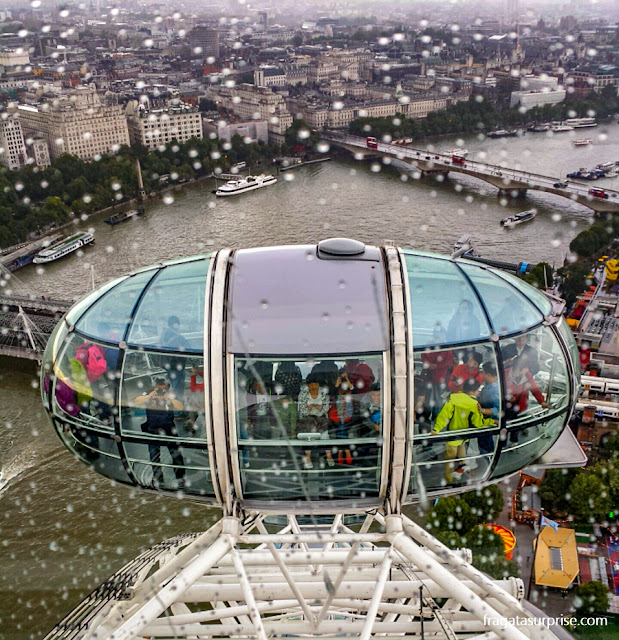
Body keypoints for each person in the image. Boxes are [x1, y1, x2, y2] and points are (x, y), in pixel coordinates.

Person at [431, 379, 496, 484]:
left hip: (452, 437)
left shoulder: (453, 399)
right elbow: (479, 423)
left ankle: (449, 479)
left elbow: (444, 416)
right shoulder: (474, 404)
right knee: (462, 458)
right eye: (478, 390)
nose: (478, 392)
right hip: (464, 437)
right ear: (474, 391)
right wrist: (492, 421)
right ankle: (458, 476)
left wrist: (436, 429)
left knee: (449, 461)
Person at [134, 378, 185, 488]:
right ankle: (158, 477)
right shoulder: (149, 393)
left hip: (169, 427)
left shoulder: (170, 395)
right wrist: (149, 396)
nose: (160, 392)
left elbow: (180, 407)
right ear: (154, 387)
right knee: (154, 454)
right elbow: (136, 401)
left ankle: (180, 477)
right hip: (152, 427)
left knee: (176, 454)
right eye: (158, 389)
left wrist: (169, 399)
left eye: (163, 390)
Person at [297, 372, 331, 468]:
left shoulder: (323, 392)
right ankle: (307, 457)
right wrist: (308, 408)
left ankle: (329, 456)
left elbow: (327, 407)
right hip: (307, 418)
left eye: (316, 384)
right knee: (310, 434)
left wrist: (321, 408)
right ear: (308, 385)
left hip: (321, 417)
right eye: (311, 384)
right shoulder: (303, 394)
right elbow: (301, 410)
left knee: (325, 434)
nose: (314, 386)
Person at [420, 325, 454, 413]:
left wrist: (436, 366)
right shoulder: (429, 344)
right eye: (437, 335)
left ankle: (437, 416)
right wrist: (428, 364)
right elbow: (423, 356)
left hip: (441, 376)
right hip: (429, 375)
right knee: (426, 396)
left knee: (438, 398)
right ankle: (426, 414)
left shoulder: (446, 347)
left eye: (442, 335)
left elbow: (449, 362)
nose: (440, 337)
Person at [328, 370, 358, 465]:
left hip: (348, 417)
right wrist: (337, 383)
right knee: (342, 428)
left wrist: (347, 380)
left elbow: (354, 390)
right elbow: (331, 394)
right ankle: (346, 450)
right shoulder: (335, 390)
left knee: (341, 429)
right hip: (336, 417)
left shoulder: (350, 390)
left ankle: (341, 451)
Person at [160, 315, 191, 407]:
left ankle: (175, 408)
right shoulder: (177, 337)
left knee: (173, 387)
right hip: (176, 366)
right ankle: (178, 411)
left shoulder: (165, 333)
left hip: (169, 365)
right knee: (177, 388)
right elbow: (188, 346)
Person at [478, 361, 500, 458]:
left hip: (489, 420)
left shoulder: (495, 390)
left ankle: (487, 458)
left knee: (486, 441)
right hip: (486, 419)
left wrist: (482, 410)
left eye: (482, 372)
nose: (481, 374)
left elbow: (497, 409)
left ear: (488, 374)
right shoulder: (488, 385)